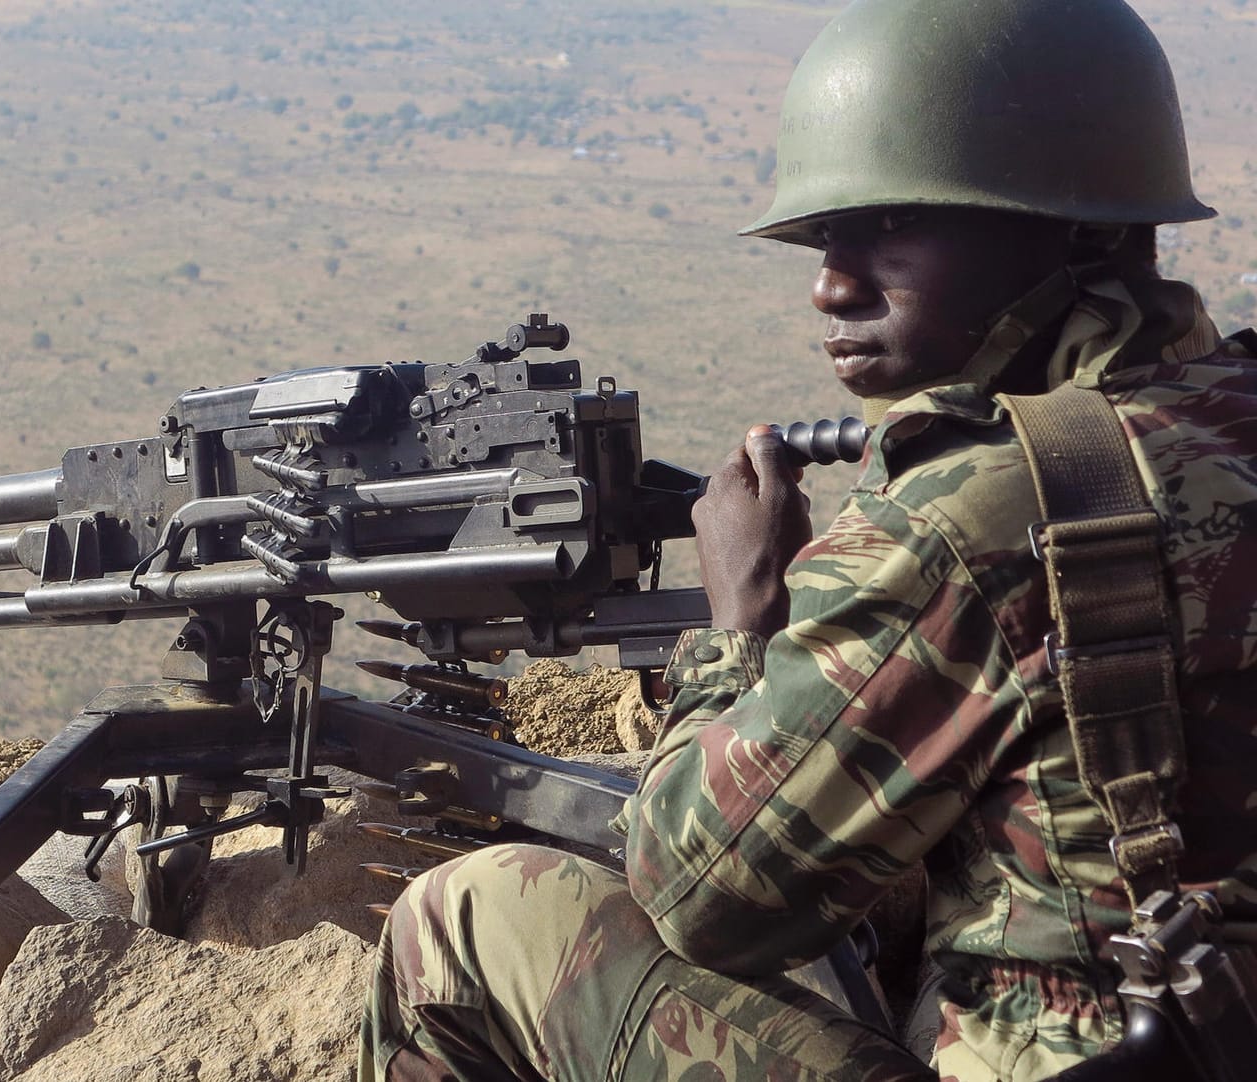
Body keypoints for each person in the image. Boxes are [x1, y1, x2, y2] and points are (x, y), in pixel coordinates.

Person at [358, 0, 1257, 1079]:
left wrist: (737, 624)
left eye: (888, 224)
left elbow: (702, 894)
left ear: (1074, 227)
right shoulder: (1226, 407)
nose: (832, 282)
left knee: (464, 921)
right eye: (826, 236)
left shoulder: (978, 512)